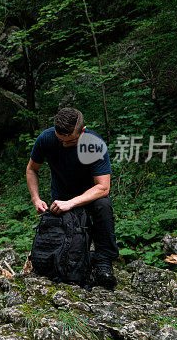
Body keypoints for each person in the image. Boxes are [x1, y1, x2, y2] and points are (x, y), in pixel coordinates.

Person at [25, 107, 118, 288]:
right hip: (61, 197)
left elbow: (103, 187)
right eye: (61, 140)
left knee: (103, 206)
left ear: (83, 131)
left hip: (91, 196)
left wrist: (71, 203)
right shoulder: (46, 138)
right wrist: (35, 199)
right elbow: (31, 169)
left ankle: (104, 262)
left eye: (71, 141)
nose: (65, 145)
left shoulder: (94, 143)